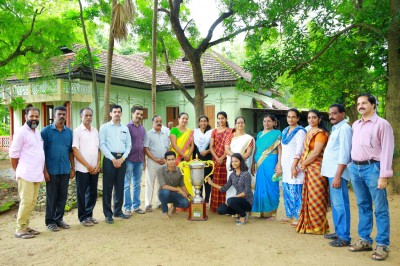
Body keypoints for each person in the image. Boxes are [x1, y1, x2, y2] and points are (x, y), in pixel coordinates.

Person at [348, 94, 394, 261]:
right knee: (363, 205)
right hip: (355, 168)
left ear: (373, 105)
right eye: (358, 103)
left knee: (380, 208)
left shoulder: (382, 124)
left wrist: (384, 175)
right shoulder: (355, 125)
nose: (360, 106)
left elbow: (388, 150)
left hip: (373, 168)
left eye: (364, 103)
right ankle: (365, 240)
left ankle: (382, 244)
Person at [10, 107, 45, 239]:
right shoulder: (21, 132)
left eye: (36, 116)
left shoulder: (37, 132)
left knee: (32, 201)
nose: (34, 119)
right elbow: (13, 156)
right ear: (26, 117)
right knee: (26, 201)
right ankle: (19, 229)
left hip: (36, 174)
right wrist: (19, 171)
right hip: (26, 174)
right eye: (32, 116)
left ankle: (26, 226)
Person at [321, 104, 352, 247]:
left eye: (334, 113)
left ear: (342, 114)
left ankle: (344, 237)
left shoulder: (345, 129)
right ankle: (339, 232)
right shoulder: (336, 129)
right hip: (331, 173)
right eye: (330, 114)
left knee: (341, 205)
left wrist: (338, 175)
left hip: (337, 173)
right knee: (335, 204)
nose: (331, 116)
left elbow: (345, 154)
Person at [296, 109, 329, 234]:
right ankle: (308, 225)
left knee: (317, 197)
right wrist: (302, 163)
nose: (311, 120)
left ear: (319, 119)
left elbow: (316, 152)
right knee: (308, 196)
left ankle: (318, 226)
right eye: (309, 118)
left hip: (317, 168)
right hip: (308, 167)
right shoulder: (309, 131)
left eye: (314, 117)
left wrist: (302, 163)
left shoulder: (320, 133)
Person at [41, 106, 74, 232]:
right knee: (52, 197)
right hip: (52, 171)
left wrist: (72, 168)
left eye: (64, 114)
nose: (62, 116)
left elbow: (71, 152)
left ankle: (59, 219)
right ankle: (50, 221)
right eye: (59, 114)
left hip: (65, 170)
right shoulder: (46, 132)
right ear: (54, 115)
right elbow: (41, 153)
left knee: (62, 196)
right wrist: (44, 171)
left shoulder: (69, 132)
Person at [99, 104, 132, 224]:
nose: (117, 113)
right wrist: (113, 159)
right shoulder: (104, 127)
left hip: (122, 159)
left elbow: (129, 145)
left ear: (121, 114)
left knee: (120, 186)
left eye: (119, 112)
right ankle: (108, 214)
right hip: (109, 160)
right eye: (115, 112)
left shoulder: (125, 128)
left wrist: (122, 159)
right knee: (107, 187)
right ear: (110, 114)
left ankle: (118, 211)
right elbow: (102, 145)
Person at [72, 108, 101, 227]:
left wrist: (98, 164)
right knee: (81, 193)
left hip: (94, 169)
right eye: (86, 115)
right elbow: (75, 150)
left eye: (90, 115)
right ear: (81, 116)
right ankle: (82, 217)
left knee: (92, 193)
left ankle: (89, 214)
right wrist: (88, 165)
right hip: (82, 169)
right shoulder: (77, 131)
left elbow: (98, 149)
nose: (88, 118)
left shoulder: (95, 131)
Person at [207, 153, 253, 225]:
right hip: (238, 201)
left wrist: (232, 198)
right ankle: (242, 212)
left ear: (241, 161)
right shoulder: (232, 175)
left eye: (236, 161)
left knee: (230, 200)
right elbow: (224, 188)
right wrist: (211, 183)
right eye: (232, 161)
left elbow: (246, 192)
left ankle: (243, 216)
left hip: (247, 201)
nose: (234, 163)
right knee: (220, 210)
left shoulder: (246, 174)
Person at [251, 114, 282, 220]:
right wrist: (253, 163)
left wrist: (279, 164)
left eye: (269, 121)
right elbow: (256, 149)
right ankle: (260, 212)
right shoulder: (259, 134)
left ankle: (272, 212)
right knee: (260, 186)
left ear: (274, 122)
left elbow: (280, 150)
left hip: (271, 160)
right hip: (259, 162)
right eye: (264, 121)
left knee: (272, 186)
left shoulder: (277, 133)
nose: (266, 123)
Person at [281, 109, 306, 226]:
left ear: (298, 118)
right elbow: (282, 149)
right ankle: (290, 215)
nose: (290, 119)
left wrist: (294, 166)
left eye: (293, 117)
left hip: (295, 165)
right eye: (289, 117)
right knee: (287, 190)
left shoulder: (300, 131)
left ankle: (299, 216)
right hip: (285, 165)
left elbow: (299, 150)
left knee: (296, 191)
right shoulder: (285, 131)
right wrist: (279, 164)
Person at [144, 115, 170, 212]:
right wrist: (155, 159)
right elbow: (146, 149)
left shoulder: (165, 134)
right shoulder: (148, 134)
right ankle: (148, 204)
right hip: (152, 162)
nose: (159, 123)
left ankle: (159, 203)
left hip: (163, 162)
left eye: (160, 121)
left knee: (161, 183)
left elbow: (168, 148)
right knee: (150, 183)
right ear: (152, 123)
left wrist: (166, 159)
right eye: (156, 121)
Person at [124, 106, 146, 215]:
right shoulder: (127, 127)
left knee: (137, 184)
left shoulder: (142, 128)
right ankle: (127, 207)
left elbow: (143, 145)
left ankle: (136, 206)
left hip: (139, 160)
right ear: (132, 114)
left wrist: (144, 161)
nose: (139, 116)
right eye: (137, 114)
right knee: (127, 184)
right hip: (128, 160)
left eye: (141, 114)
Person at [225, 116, 254, 199]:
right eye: (238, 123)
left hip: (243, 164)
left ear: (244, 124)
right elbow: (227, 150)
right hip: (232, 164)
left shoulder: (249, 138)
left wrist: (239, 160)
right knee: (231, 183)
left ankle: (242, 206)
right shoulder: (230, 136)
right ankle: (230, 205)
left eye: (242, 122)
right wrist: (235, 159)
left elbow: (248, 152)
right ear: (235, 125)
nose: (240, 124)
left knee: (243, 184)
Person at [209, 111, 232, 212]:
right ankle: (215, 206)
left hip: (226, 160)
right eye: (219, 118)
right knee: (216, 180)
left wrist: (222, 157)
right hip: (215, 160)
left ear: (226, 119)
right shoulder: (214, 131)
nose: (221, 120)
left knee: (225, 181)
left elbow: (230, 146)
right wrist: (217, 158)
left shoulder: (231, 131)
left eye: (223, 118)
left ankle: (225, 205)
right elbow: (211, 146)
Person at [157, 151, 190, 220]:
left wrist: (188, 195)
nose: (171, 161)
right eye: (169, 160)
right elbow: (163, 186)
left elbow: (182, 185)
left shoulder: (180, 170)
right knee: (165, 192)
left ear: (175, 160)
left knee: (186, 203)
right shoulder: (160, 170)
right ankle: (165, 212)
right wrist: (178, 190)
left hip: (174, 194)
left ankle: (174, 206)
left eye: (173, 159)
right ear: (165, 161)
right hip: (163, 194)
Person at [169, 112, 194, 196]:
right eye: (183, 118)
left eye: (186, 119)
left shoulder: (190, 132)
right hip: (177, 158)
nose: (185, 120)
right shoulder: (174, 130)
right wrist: (184, 155)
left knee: (187, 178)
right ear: (179, 119)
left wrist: (188, 155)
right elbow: (174, 144)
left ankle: (188, 198)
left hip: (187, 159)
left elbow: (192, 146)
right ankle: (176, 202)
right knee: (176, 178)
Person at [193, 115, 213, 203]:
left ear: (207, 122)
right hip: (198, 159)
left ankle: (207, 199)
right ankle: (199, 197)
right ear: (198, 123)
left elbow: (214, 146)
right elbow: (193, 147)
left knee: (207, 179)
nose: (203, 123)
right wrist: (194, 158)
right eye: (201, 121)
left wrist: (207, 151)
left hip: (208, 159)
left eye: (205, 121)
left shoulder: (211, 132)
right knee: (198, 179)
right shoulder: (195, 132)